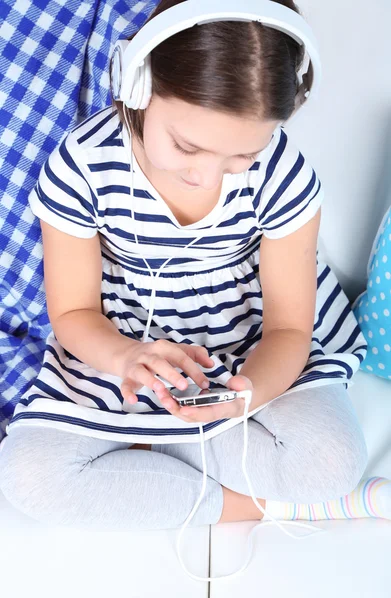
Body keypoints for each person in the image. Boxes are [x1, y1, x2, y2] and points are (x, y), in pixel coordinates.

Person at [0, 0, 390, 532]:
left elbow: (290, 328)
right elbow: (72, 312)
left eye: (242, 158)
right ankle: (262, 503)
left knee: (332, 459)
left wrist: (245, 394)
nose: (208, 179)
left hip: (248, 344)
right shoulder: (81, 165)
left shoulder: (286, 176)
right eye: (187, 146)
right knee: (27, 477)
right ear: (138, 85)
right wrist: (125, 357)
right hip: (118, 345)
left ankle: (148, 456)